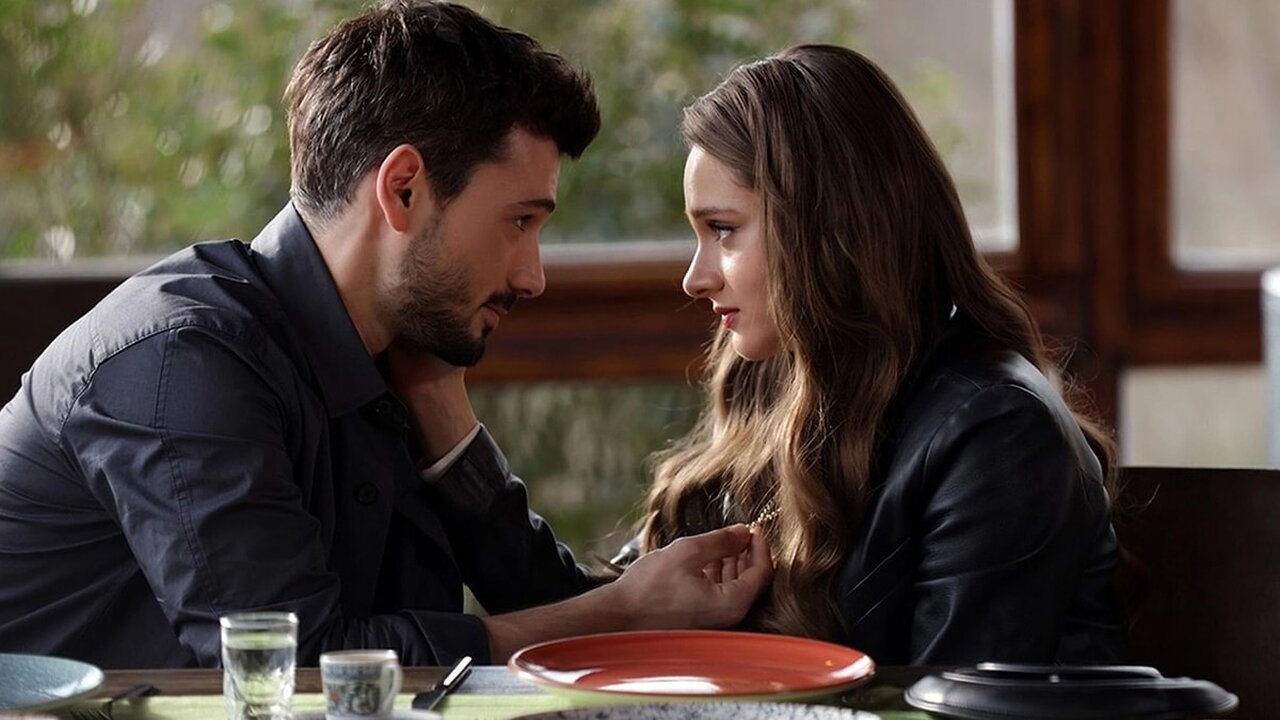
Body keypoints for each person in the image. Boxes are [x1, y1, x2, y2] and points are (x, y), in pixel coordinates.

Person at [0, 0, 770, 669]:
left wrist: (448, 429)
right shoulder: (185, 361)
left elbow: (546, 605)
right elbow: (299, 669)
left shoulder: (387, 352)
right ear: (402, 190)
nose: (533, 275)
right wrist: (622, 610)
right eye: (519, 222)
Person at [625, 44, 1127, 665]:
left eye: (723, 230)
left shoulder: (997, 432)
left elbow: (950, 701)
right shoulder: (777, 377)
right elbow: (608, 599)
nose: (694, 278)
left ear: (828, 225)